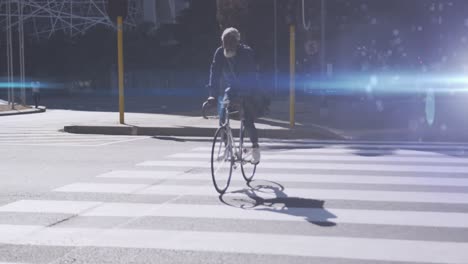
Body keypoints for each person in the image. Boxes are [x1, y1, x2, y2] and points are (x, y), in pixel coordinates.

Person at [207, 27, 261, 164]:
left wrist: (243, 97)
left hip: (248, 88)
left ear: (237, 42)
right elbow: (215, 74)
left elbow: (250, 76)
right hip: (231, 88)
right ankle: (227, 148)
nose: (227, 46)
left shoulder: (246, 53)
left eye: (230, 42)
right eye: (224, 42)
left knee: (247, 119)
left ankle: (255, 148)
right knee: (223, 115)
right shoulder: (220, 53)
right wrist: (212, 95)